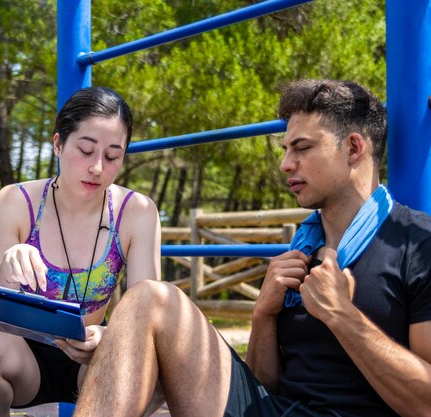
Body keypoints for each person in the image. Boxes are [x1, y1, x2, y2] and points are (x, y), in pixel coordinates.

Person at [72, 79, 431, 417]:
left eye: (302, 147)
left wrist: (342, 315)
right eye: (287, 149)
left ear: (353, 148)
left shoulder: (417, 243)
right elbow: (265, 385)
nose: (285, 163)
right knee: (148, 298)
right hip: (278, 410)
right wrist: (264, 314)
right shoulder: (302, 251)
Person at [0, 86, 161, 417]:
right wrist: (8, 267)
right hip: (23, 356)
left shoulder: (138, 212)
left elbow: (148, 313)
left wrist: (108, 336)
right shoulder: (15, 202)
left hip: (95, 357)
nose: (97, 168)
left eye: (112, 156)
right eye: (86, 150)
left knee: (158, 362)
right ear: (58, 143)